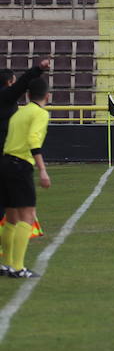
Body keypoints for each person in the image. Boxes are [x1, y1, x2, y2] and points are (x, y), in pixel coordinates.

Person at [0, 78, 51, 278]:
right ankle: (18, 267)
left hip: (5, 162)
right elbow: (33, 140)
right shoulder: (40, 113)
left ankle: (6, 264)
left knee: (11, 218)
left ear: (28, 95)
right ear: (48, 96)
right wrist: (42, 170)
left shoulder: (19, 113)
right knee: (27, 216)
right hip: (20, 165)